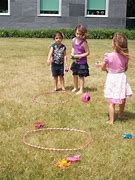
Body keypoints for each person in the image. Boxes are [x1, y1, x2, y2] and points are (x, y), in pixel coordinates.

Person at [96, 32, 132, 125]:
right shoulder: (125, 56)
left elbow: (104, 67)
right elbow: (125, 68)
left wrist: (105, 68)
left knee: (112, 101)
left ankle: (111, 121)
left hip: (112, 79)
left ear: (115, 44)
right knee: (122, 98)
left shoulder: (108, 56)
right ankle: (120, 115)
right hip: (121, 78)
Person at [70, 24, 90, 95]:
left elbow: (88, 52)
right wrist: (72, 53)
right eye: (77, 33)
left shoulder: (84, 43)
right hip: (75, 61)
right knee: (74, 74)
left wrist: (80, 56)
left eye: (80, 34)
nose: (78, 35)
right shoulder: (73, 40)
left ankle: (81, 89)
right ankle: (75, 87)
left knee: (81, 76)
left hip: (82, 62)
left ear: (83, 34)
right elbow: (73, 47)